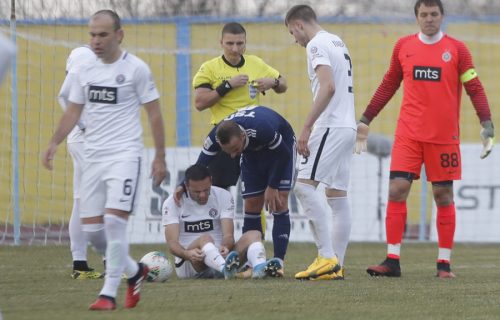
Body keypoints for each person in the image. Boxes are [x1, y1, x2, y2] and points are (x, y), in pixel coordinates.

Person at [356, 0, 494, 278]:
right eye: (424, 14)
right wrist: (366, 118)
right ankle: (392, 260)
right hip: (408, 134)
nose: (429, 19)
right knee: (396, 190)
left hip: (443, 137)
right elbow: (389, 83)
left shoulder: (457, 50)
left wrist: (486, 122)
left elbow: (474, 86)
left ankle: (444, 265)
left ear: (442, 16)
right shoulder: (403, 47)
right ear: (416, 17)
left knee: (443, 195)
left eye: (434, 14)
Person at [42, 10, 167, 310]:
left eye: (102, 35)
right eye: (92, 34)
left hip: (124, 155)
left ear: (119, 35)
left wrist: (160, 157)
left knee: (113, 223)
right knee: (95, 233)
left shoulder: (136, 69)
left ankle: (107, 294)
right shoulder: (85, 70)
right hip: (92, 158)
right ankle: (135, 270)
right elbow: (73, 110)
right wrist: (54, 142)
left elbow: (154, 113)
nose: (96, 41)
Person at [284, 4, 357, 281]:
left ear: (300, 25)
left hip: (331, 125)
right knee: (337, 195)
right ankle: (336, 263)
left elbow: (328, 86)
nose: (295, 39)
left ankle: (326, 256)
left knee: (303, 185)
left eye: (293, 32)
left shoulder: (315, 45)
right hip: (346, 125)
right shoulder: (337, 41)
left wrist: (306, 127)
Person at [188, 105, 296, 277]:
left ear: (243, 135)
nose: (232, 156)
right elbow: (199, 166)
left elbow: (284, 154)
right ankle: (251, 264)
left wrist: (273, 185)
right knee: (252, 204)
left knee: (279, 202)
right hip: (252, 155)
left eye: (235, 150)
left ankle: (278, 263)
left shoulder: (262, 128)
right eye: (228, 152)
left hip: (281, 150)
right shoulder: (216, 135)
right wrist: (182, 185)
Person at [164, 164, 277, 279]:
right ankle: (225, 270)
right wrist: (186, 254)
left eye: (206, 190)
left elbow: (228, 236)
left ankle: (260, 268)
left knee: (254, 234)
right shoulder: (173, 202)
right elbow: (172, 244)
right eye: (197, 192)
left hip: (222, 257)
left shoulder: (223, 196)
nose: (202, 195)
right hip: (190, 262)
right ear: (186, 186)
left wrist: (226, 246)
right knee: (205, 238)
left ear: (211, 181)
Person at [58, 45, 102, 280]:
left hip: (87, 138)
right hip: (85, 139)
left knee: (81, 198)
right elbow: (63, 94)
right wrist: (83, 125)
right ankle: (112, 262)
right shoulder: (85, 56)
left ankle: (80, 263)